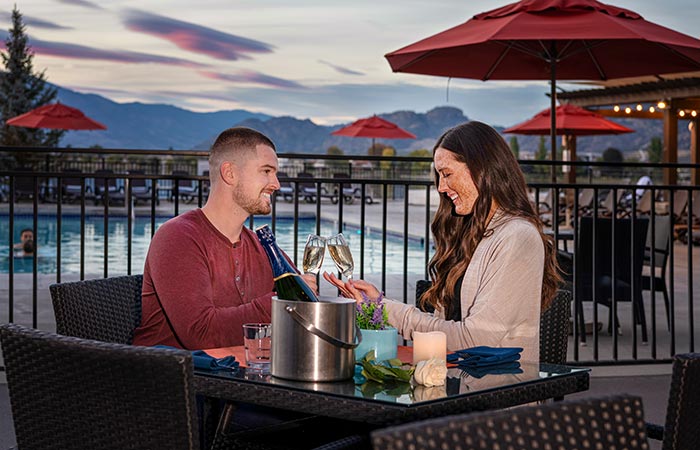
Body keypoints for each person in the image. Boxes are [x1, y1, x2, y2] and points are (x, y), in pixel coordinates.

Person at [325, 121, 560, 362]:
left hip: (498, 388)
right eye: (439, 176)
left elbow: (475, 340)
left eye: (447, 174)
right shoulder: (471, 233)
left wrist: (386, 310)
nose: (440, 186)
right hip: (453, 381)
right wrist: (376, 305)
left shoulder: (517, 237)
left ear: (483, 169)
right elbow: (445, 326)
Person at [133, 127, 316, 349]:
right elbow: (201, 334)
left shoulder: (261, 247)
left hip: (246, 376)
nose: (276, 184)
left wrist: (362, 305)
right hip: (177, 378)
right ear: (229, 173)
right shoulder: (178, 237)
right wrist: (281, 305)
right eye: (266, 171)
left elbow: (304, 309)